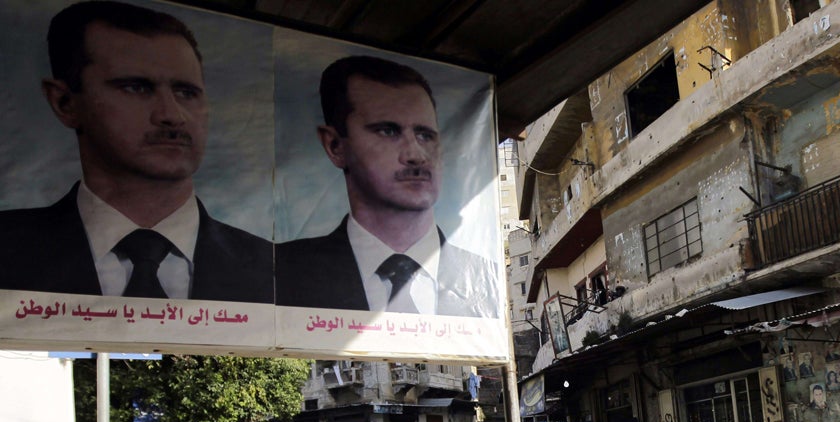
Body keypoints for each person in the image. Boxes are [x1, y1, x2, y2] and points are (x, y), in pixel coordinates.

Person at [0, 1, 273, 302]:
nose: (172, 115)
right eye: (136, 88)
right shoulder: (9, 248)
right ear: (65, 102)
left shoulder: (274, 268)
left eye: (186, 92)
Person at [274, 55, 500, 316]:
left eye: (425, 135)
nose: (415, 154)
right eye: (388, 131)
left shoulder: (486, 281)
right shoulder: (281, 272)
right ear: (335, 145)